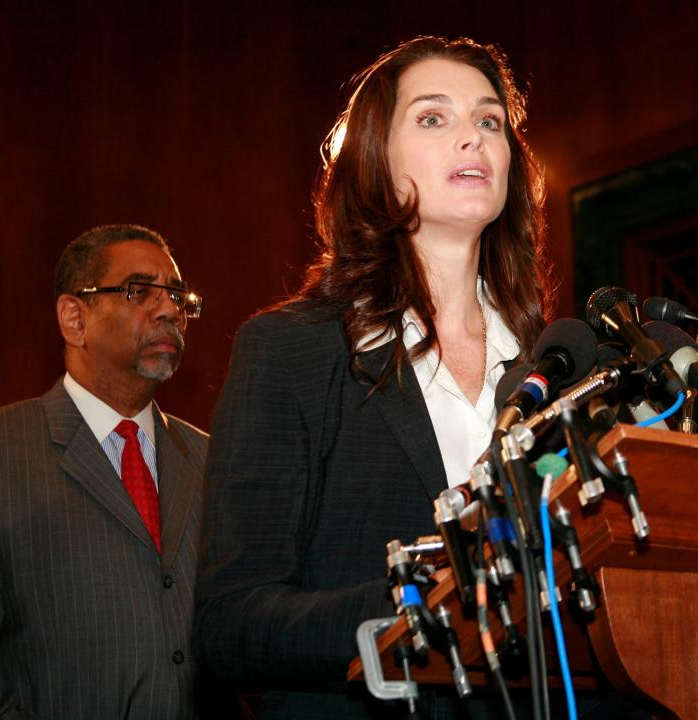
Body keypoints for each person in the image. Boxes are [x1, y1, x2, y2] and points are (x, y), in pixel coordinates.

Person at [195, 37, 557, 719]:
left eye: (489, 121)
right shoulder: (292, 353)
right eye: (432, 118)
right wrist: (422, 601)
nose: (472, 139)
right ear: (372, 159)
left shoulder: (553, 369)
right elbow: (230, 623)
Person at [0, 224, 208, 719]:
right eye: (137, 291)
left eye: (177, 296)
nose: (168, 310)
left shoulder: (211, 462)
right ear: (74, 318)